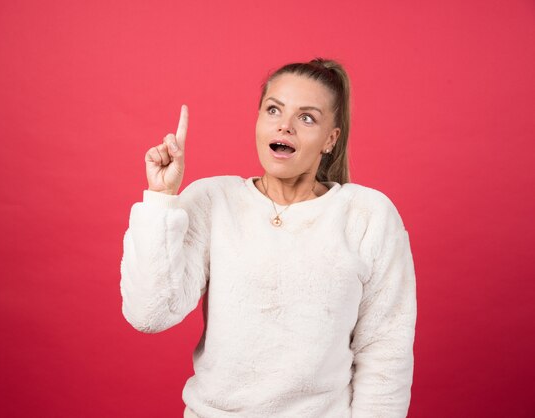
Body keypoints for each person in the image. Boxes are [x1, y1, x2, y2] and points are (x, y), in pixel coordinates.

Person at [120, 58, 417, 418]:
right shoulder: (214, 200)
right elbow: (149, 314)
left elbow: (385, 349)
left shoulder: (368, 215)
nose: (285, 126)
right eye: (273, 110)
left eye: (306, 118)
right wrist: (161, 198)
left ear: (330, 139)